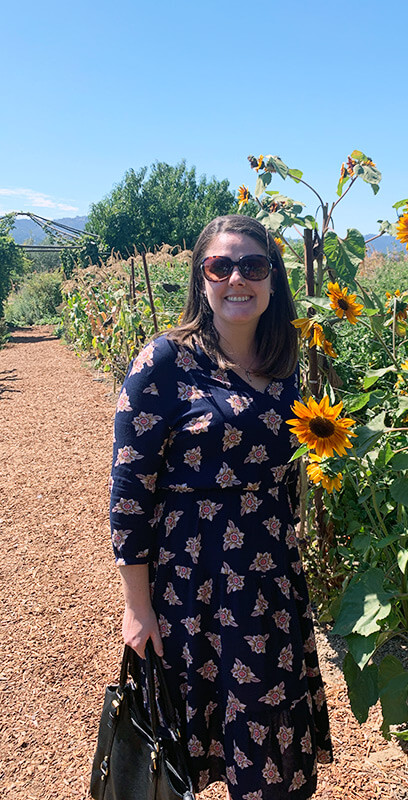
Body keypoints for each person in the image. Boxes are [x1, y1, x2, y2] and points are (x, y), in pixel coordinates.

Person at [109, 214, 333, 799]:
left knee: (270, 756)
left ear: (273, 280)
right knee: (181, 751)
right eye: (221, 266)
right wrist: (137, 606)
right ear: (202, 279)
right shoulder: (162, 363)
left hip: (270, 582)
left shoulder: (285, 366)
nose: (238, 278)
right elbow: (130, 493)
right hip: (192, 584)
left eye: (254, 266)